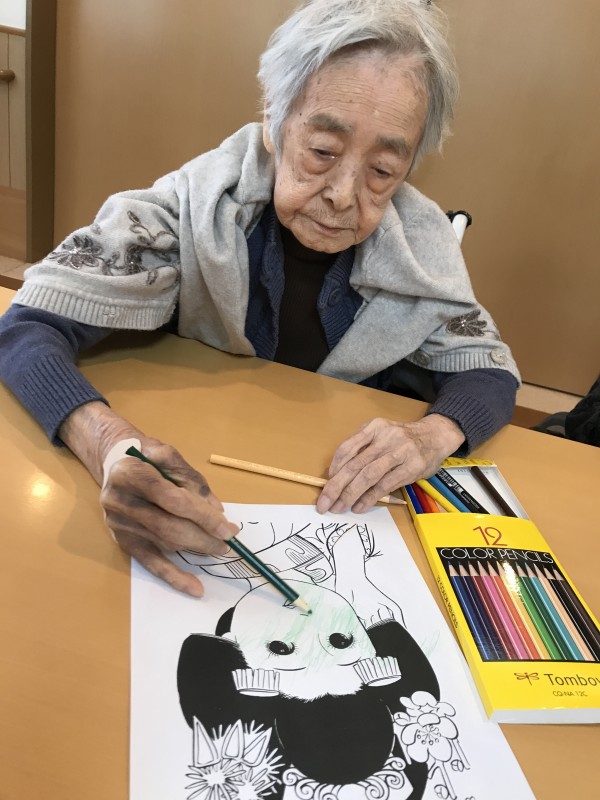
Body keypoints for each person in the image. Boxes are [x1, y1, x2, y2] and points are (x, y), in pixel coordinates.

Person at [0, 0, 519, 596]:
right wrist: (109, 444)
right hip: (206, 476)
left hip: (341, 510)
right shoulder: (188, 211)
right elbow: (25, 327)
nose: (343, 194)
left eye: (382, 169)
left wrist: (431, 435)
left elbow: (490, 373)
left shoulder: (421, 253)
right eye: (322, 151)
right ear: (273, 119)